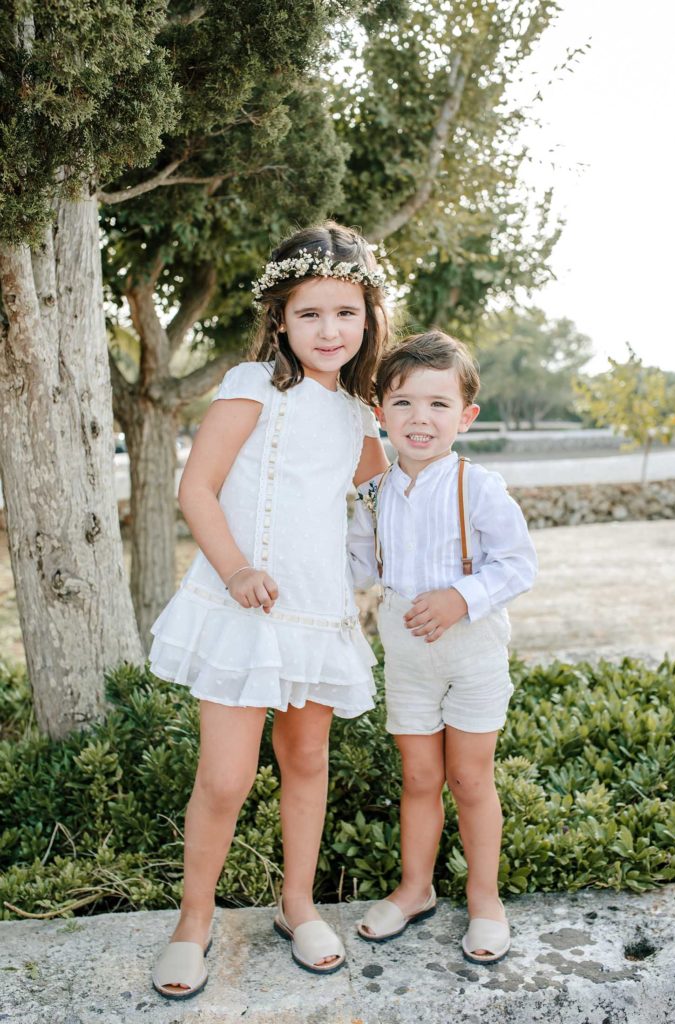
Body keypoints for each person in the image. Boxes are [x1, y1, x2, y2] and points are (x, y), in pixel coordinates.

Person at [149, 222, 391, 998]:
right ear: (280, 317)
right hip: (244, 607)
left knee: (306, 762)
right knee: (223, 778)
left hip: (317, 612)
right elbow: (196, 489)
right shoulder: (251, 386)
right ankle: (194, 920)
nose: (330, 330)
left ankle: (298, 904)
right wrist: (237, 568)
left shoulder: (359, 416)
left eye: (346, 314)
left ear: (368, 319)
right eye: (311, 313)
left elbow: (385, 488)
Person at [348, 331, 537, 964]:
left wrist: (461, 596)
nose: (419, 419)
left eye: (437, 405)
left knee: (469, 776)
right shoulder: (374, 495)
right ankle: (416, 888)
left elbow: (517, 564)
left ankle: (485, 899)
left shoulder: (477, 486)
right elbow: (356, 565)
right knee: (420, 776)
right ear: (380, 413)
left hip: (473, 648)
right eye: (402, 404)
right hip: (406, 649)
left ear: (466, 415)